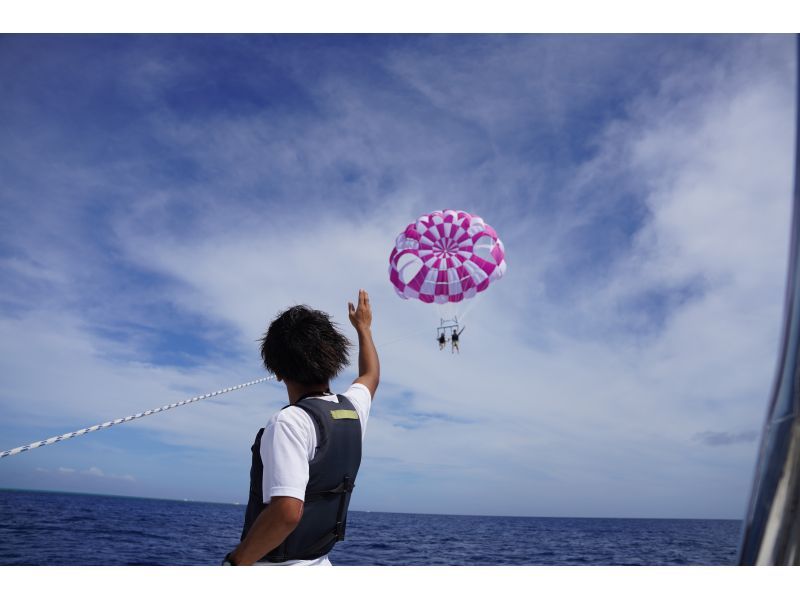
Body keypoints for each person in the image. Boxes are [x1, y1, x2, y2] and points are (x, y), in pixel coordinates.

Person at [223, 289, 379, 566]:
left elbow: (287, 512)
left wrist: (236, 562)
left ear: (277, 371)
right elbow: (370, 376)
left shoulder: (288, 423)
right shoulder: (351, 411)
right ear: (334, 362)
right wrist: (363, 329)